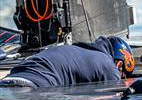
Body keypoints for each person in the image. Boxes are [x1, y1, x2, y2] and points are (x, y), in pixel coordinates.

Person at [0, 36, 135, 88]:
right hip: (33, 87)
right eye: (122, 74)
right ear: (119, 64)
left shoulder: (75, 50)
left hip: (9, 80)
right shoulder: (107, 65)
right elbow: (113, 99)